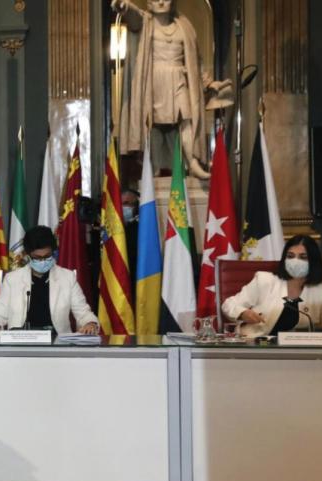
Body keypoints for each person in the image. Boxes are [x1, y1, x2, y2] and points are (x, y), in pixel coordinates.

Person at [112, 0, 210, 179]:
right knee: (152, 123)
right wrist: (123, 6)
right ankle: (153, 167)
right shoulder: (145, 23)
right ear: (149, 3)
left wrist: (206, 82)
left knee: (187, 117)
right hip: (154, 80)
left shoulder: (184, 26)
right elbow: (133, 15)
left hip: (179, 78)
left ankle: (192, 162)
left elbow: (197, 60)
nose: (161, 1)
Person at [221, 235, 322, 339]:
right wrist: (242, 313)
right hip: (254, 347)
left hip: (294, 356)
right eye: (290, 256)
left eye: (303, 257)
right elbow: (228, 305)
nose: (295, 261)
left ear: (313, 262)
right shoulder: (265, 281)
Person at [0, 225, 100, 336]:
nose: (43, 261)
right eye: (38, 258)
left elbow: (83, 312)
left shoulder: (67, 278)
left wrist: (90, 323)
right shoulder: (12, 280)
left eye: (47, 256)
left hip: (57, 345)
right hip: (20, 345)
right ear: (28, 256)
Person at [122, 188, 140, 299]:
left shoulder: (141, 226)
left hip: (136, 278)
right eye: (121, 203)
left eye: (127, 203)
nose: (123, 207)